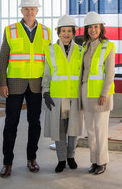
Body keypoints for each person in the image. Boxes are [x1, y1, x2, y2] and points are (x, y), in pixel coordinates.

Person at [0, 0, 52, 178]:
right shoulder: (10, 30)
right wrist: (1, 83)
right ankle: (7, 163)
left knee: (34, 123)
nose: (30, 12)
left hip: (36, 84)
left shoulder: (46, 31)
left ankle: (32, 159)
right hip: (14, 83)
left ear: (37, 10)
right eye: (26, 9)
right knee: (11, 123)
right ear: (21, 10)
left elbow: (50, 60)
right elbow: (3, 57)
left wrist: (49, 84)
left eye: (33, 9)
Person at [42, 14, 84, 173]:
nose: (66, 34)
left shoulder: (80, 50)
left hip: (74, 96)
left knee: (73, 130)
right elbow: (47, 74)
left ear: (74, 33)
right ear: (58, 32)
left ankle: (71, 156)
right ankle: (61, 159)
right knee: (59, 130)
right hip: (57, 96)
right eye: (63, 30)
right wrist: (45, 92)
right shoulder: (50, 50)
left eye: (69, 31)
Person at [80, 11, 116, 175]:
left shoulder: (108, 46)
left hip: (101, 93)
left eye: (96, 27)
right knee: (90, 130)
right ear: (86, 29)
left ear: (101, 28)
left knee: (101, 130)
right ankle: (94, 160)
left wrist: (104, 94)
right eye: (90, 27)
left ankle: (102, 161)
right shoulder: (85, 46)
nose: (93, 30)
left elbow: (109, 73)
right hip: (86, 92)